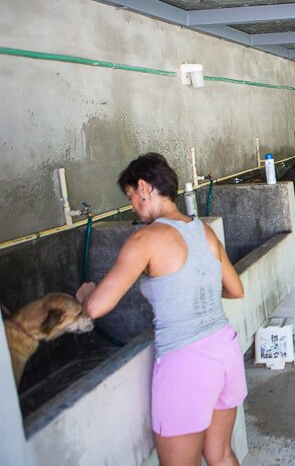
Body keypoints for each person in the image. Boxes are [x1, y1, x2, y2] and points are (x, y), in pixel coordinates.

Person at [76, 153, 246, 466]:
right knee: (221, 455)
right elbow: (236, 290)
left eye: (131, 197)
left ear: (144, 187)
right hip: (225, 350)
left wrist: (86, 295)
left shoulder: (146, 238)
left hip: (186, 362)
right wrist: (197, 290)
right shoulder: (203, 232)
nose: (132, 206)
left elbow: (97, 308)